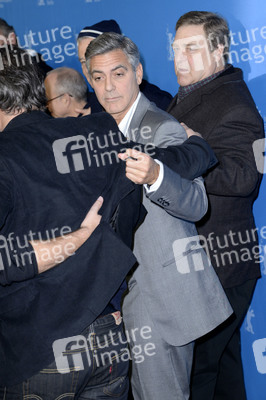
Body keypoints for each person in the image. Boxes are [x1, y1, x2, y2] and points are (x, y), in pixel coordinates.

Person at [85, 32, 233, 400]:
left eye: (118, 74)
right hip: (120, 300)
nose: (108, 88)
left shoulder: (162, 127)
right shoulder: (96, 133)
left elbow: (198, 204)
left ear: (137, 73)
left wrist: (155, 176)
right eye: (98, 78)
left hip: (159, 298)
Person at [0, 45, 145, 399]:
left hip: (38, 351)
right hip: (109, 335)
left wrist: (77, 239)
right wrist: (197, 145)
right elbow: (142, 196)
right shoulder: (97, 131)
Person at [165, 11, 265, 400]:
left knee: (199, 374)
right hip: (207, 265)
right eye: (176, 49)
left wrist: (193, 154)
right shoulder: (197, 92)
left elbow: (244, 178)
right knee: (223, 369)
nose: (180, 59)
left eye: (192, 48)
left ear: (220, 49)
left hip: (221, 266)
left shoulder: (233, 102)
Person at [77, 19, 173, 113]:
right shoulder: (93, 103)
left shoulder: (159, 105)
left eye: (118, 74)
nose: (88, 68)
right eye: (83, 62)